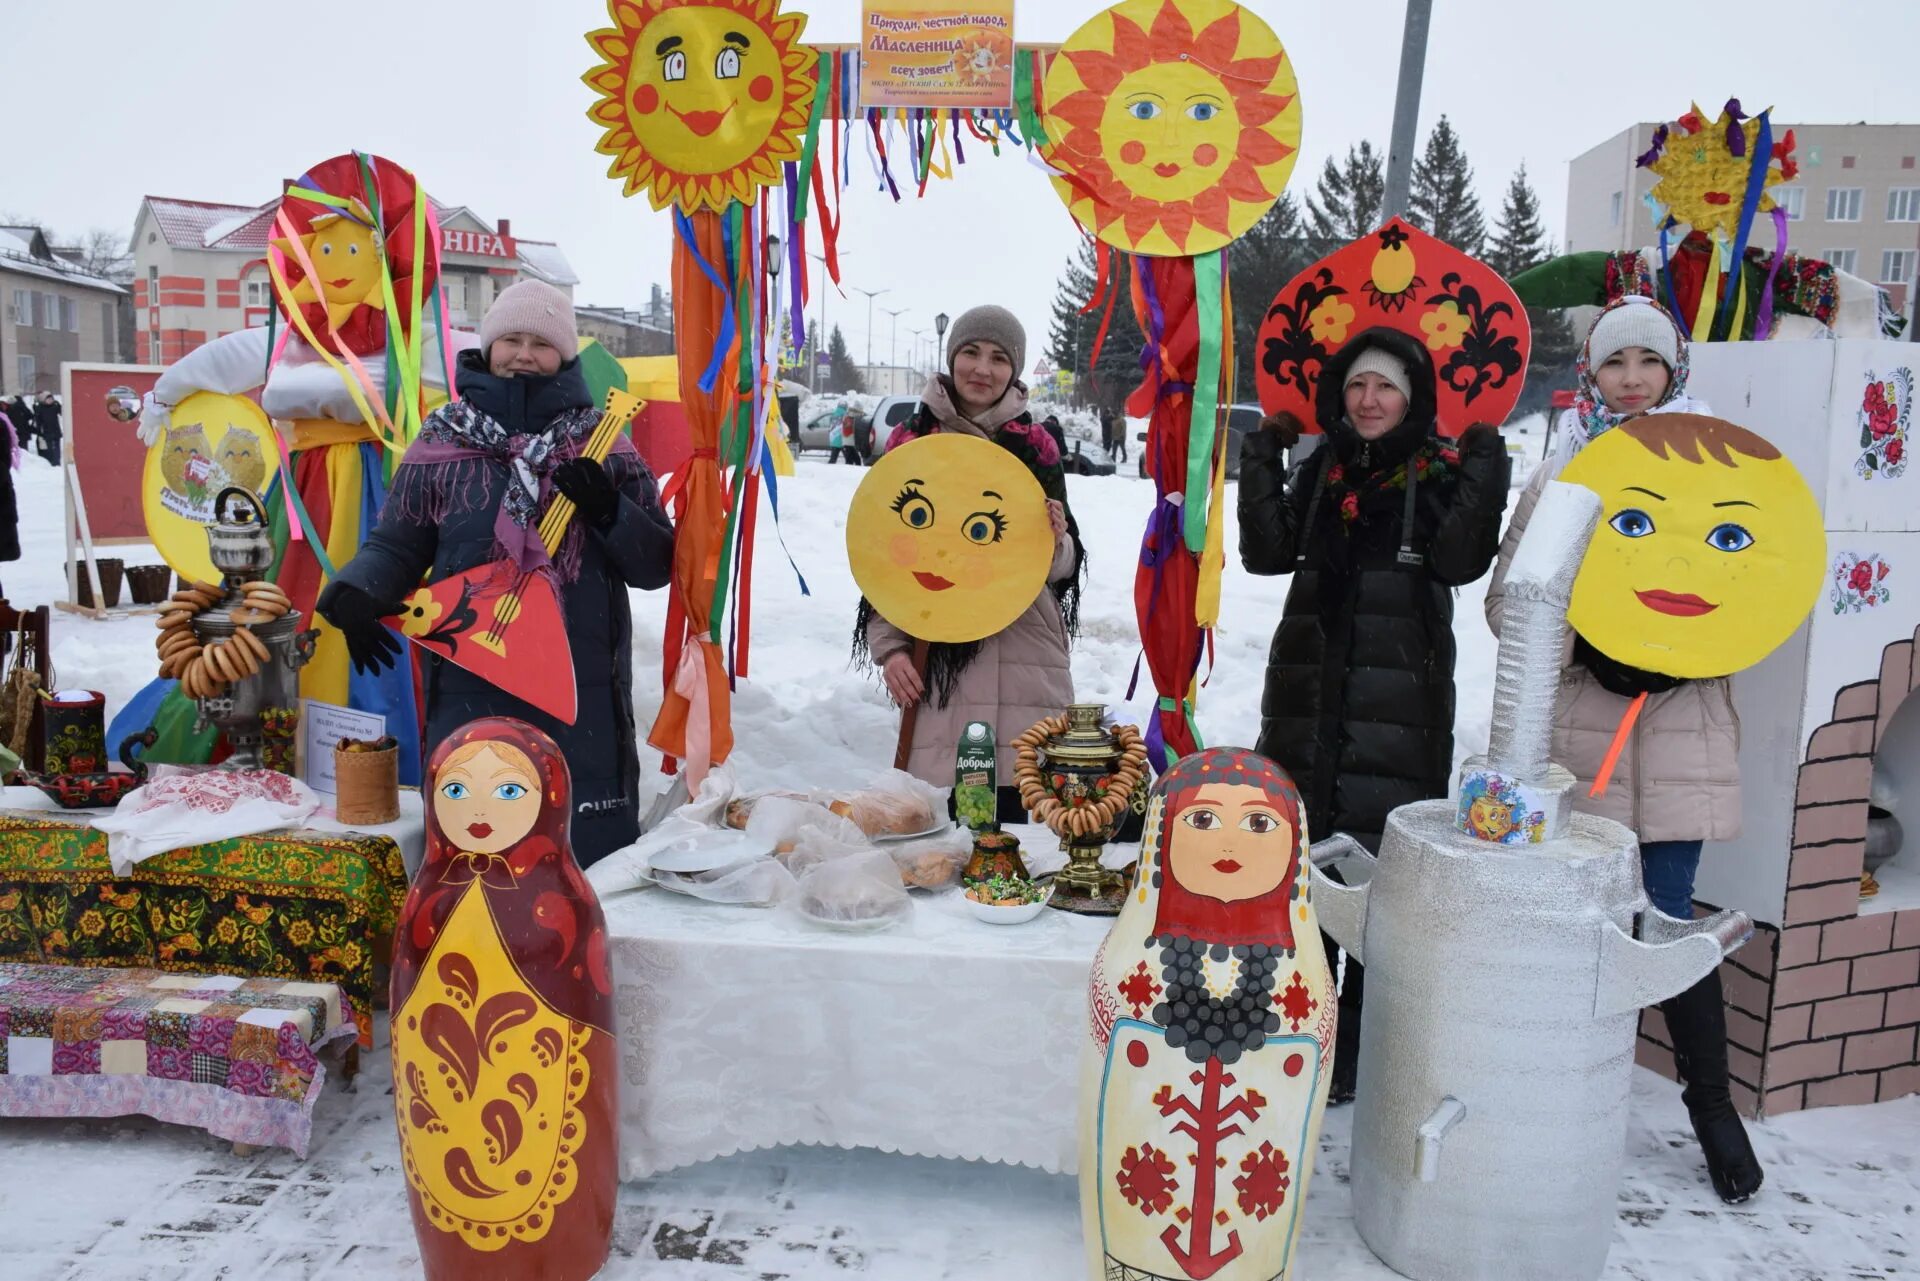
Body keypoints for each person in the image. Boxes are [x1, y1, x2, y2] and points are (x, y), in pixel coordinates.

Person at [1485, 296, 1762, 1205]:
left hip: (1681, 732)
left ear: (1675, 369)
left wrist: (1691, 655)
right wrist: (1592, 644)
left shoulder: (1722, 469)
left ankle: (1713, 1107)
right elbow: (1507, 604)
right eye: (1616, 363)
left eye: (1649, 360)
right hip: (1584, 735)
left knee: (1671, 918)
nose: (1633, 377)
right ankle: (1550, 1099)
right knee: (1576, 920)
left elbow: (1761, 590)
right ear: (1593, 377)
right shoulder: (1567, 469)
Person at [1239, 326, 1511, 1104]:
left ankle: (1358, 1047)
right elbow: (1267, 551)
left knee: (1373, 884)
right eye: (1357, 386)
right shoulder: (1324, 468)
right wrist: (1264, 455)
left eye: (1385, 386)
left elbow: (1460, 561)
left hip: (1399, 714)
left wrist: (1487, 467)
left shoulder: (1438, 470)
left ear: (1412, 395)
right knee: (1303, 874)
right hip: (1306, 704)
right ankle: (1303, 1029)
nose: (1368, 401)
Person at [317, 280, 676, 868]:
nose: (524, 355)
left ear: (564, 354)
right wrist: (358, 590)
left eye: (541, 342)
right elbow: (398, 541)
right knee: (475, 832)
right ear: (488, 345)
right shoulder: (442, 439)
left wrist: (610, 511)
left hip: (578, 680)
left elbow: (655, 564)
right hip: (470, 668)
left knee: (582, 853)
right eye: (511, 338)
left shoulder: (604, 442)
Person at [857, 306, 1083, 819]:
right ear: (952, 357)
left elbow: (1063, 567)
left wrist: (1054, 538)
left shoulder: (1036, 445)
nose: (983, 368)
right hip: (937, 654)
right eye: (972, 352)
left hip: (1026, 651)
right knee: (941, 826)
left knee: (1024, 817)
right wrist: (891, 650)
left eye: (999, 358)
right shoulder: (912, 440)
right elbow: (885, 559)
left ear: (1015, 369)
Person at [32, 393, 61, 466]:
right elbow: (38, 421)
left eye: (51, 399)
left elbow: (61, 411)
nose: (50, 401)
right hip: (46, 431)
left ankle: (57, 461)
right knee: (49, 448)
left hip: (56, 430)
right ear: (44, 400)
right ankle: (51, 461)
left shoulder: (55, 407)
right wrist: (40, 431)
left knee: (57, 447)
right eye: (48, 399)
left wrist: (59, 405)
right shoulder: (40, 408)